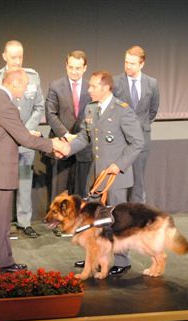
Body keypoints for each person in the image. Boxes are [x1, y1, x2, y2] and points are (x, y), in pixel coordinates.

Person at [0, 67, 69, 276]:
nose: (27, 89)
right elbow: (24, 139)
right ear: (14, 83)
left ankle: (5, 261)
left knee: (2, 222)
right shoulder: (6, 106)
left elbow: (7, 134)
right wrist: (53, 144)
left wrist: (28, 134)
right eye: (25, 85)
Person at [69, 71, 144, 276]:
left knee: (117, 220)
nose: (89, 89)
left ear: (105, 88)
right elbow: (84, 137)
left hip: (115, 178)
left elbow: (137, 143)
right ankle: (93, 257)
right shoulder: (91, 109)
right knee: (93, 221)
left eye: (93, 86)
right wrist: (66, 148)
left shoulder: (122, 111)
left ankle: (122, 259)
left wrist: (119, 164)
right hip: (96, 176)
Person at [0, 40, 44, 238]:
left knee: (25, 181)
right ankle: (2, 223)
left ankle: (24, 221)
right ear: (4, 56)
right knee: (2, 182)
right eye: (13, 57)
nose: (17, 61)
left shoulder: (32, 77)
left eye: (21, 56)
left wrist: (24, 133)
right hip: (4, 142)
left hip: (26, 140)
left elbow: (38, 108)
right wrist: (17, 134)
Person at [112, 45, 159, 204]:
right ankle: (118, 215)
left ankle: (138, 217)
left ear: (142, 64)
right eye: (126, 62)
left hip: (142, 139)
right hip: (121, 140)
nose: (128, 66)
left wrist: (139, 128)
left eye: (132, 63)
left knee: (138, 181)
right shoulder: (116, 82)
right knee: (119, 180)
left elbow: (152, 111)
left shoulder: (151, 83)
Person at [45, 50, 92, 200]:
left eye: (78, 68)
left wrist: (79, 138)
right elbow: (50, 115)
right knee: (59, 191)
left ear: (85, 68)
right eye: (71, 67)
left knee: (80, 192)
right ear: (66, 66)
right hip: (61, 144)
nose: (74, 71)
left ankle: (78, 222)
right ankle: (58, 222)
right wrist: (66, 135)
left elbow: (95, 115)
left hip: (83, 146)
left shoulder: (91, 87)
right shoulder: (56, 86)